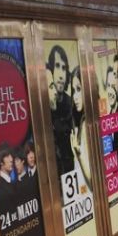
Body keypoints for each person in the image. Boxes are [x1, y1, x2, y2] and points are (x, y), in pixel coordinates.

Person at [46, 45, 75, 175]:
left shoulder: (71, 103)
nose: (61, 75)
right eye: (57, 66)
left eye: (64, 68)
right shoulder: (47, 106)